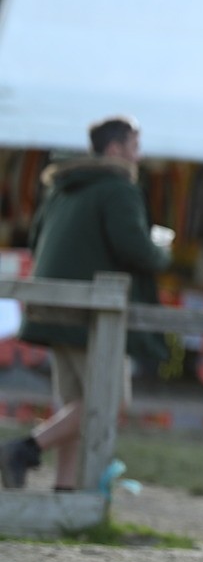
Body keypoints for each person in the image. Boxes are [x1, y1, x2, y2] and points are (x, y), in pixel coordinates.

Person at [1, 116, 170, 490]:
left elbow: (36, 239)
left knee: (74, 404)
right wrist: (161, 250)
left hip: (50, 307)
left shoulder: (62, 187)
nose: (138, 157)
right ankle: (24, 449)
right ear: (115, 148)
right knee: (107, 401)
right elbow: (135, 249)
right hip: (90, 315)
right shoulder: (118, 189)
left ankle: (65, 490)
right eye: (134, 147)